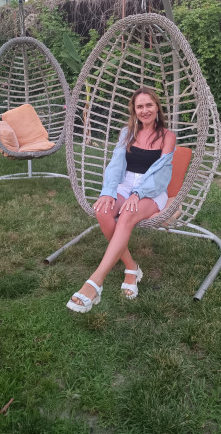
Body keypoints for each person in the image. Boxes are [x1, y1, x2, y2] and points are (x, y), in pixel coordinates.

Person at [66, 87, 176, 313]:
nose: (145, 110)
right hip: (125, 185)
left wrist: (138, 194)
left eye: (149, 105)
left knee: (126, 214)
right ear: (134, 110)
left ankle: (95, 282)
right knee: (102, 211)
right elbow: (116, 163)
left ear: (157, 107)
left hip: (151, 189)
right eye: (140, 106)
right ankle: (131, 267)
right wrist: (108, 191)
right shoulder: (127, 132)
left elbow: (161, 174)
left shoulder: (168, 136)